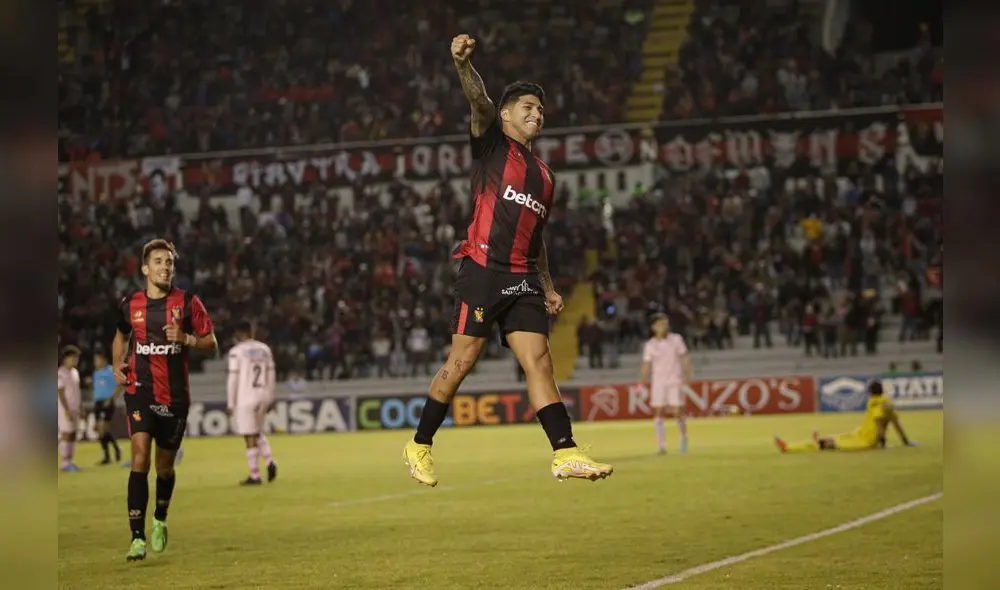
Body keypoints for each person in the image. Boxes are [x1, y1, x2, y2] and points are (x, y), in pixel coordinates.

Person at [402, 33, 613, 486]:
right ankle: (419, 444)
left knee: (539, 362)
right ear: (506, 114)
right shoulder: (492, 144)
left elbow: (536, 238)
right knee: (461, 363)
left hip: (523, 279)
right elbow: (478, 102)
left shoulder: (545, 177)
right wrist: (463, 65)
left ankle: (565, 453)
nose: (537, 114)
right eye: (528, 108)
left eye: (540, 110)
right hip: (482, 270)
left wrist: (550, 285)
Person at [112, 238, 218, 562]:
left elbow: (210, 342)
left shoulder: (187, 303)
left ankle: (160, 517)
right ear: (145, 268)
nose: (165, 267)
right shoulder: (131, 304)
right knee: (140, 459)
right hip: (139, 391)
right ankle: (137, 537)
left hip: (174, 398)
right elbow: (120, 334)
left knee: (164, 468)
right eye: (158, 261)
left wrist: (185, 338)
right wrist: (117, 364)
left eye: (169, 262)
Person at [774, 380, 918, 453]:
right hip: (861, 433)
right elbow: (896, 424)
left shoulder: (875, 404)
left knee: (835, 444)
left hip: (867, 440)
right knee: (839, 438)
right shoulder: (888, 403)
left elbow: (880, 425)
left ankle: (790, 447)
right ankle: (817, 441)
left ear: (870, 392)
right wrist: (906, 441)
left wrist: (881, 444)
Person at [226, 320, 278, 486]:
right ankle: (269, 461)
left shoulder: (236, 352)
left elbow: (233, 378)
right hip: (263, 394)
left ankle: (255, 475)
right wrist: (270, 396)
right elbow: (271, 375)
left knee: (249, 435)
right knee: (258, 431)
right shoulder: (265, 349)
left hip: (245, 396)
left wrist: (230, 402)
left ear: (238, 334)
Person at [638, 314, 693, 454]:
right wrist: (641, 383)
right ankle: (661, 445)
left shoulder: (676, 339)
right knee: (658, 411)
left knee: (677, 411)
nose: (663, 326)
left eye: (665, 323)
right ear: (654, 327)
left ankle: (683, 438)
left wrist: (687, 375)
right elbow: (646, 365)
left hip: (674, 379)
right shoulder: (650, 345)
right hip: (659, 382)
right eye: (660, 324)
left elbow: (684, 357)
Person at [92, 350, 123, 465]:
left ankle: (107, 457)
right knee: (101, 432)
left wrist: (111, 399)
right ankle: (115, 449)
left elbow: (120, 385)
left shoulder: (111, 371)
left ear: (104, 359)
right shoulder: (96, 373)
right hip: (98, 403)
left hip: (107, 402)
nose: (95, 362)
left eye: (97, 359)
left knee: (102, 428)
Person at [57, 345, 83, 472]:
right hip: (64, 409)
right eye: (73, 358)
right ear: (65, 359)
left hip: (75, 408)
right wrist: (66, 409)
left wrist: (81, 406)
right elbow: (60, 393)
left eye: (76, 358)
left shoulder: (75, 372)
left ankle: (70, 461)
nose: (75, 360)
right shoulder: (60, 373)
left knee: (73, 434)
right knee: (66, 433)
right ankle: (65, 463)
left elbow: (77, 391)